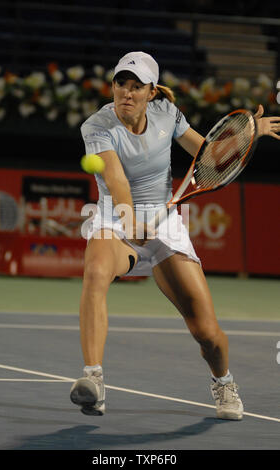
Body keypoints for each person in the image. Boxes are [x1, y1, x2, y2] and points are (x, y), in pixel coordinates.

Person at [70, 51, 280, 419]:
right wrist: (130, 219)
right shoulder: (97, 127)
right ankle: (94, 379)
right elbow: (117, 181)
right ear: (113, 86)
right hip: (116, 221)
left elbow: (208, 156)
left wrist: (249, 134)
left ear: (152, 92)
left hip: (165, 225)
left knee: (207, 332)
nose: (127, 93)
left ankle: (223, 382)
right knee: (96, 269)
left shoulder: (168, 115)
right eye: (122, 83)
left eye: (137, 87)